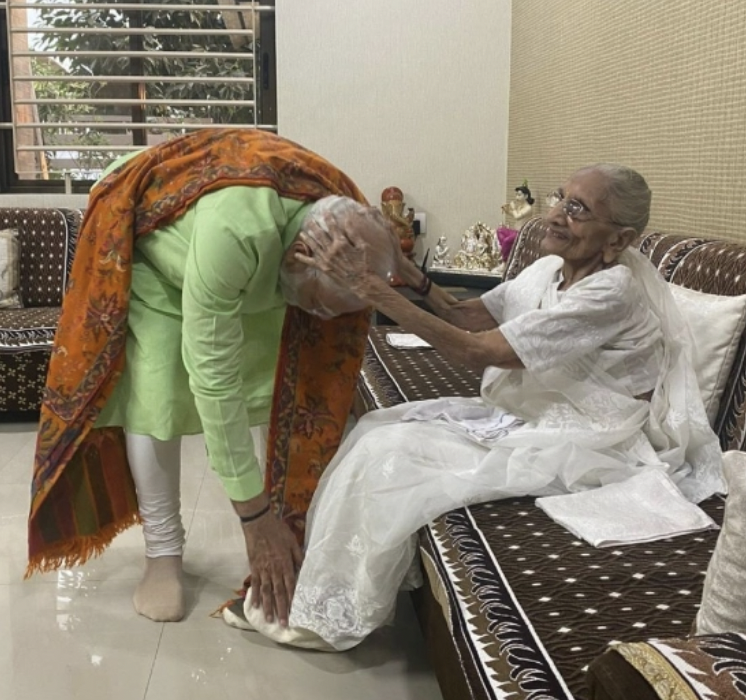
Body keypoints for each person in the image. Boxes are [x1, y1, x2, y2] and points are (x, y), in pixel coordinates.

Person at [222, 163, 724, 651]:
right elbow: (463, 312)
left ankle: (325, 617)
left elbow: (475, 349)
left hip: (591, 435)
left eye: (577, 208)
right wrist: (399, 271)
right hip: (537, 413)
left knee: (392, 453)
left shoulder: (612, 290)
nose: (554, 215)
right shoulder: (551, 270)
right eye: (559, 198)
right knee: (378, 426)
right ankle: (312, 587)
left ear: (619, 238)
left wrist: (372, 289)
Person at [26, 127, 398, 627]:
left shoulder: (344, 214)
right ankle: (163, 554)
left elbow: (378, 285)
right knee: (156, 396)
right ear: (296, 261)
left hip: (247, 260)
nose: (321, 317)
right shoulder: (238, 236)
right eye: (317, 303)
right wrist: (254, 519)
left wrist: (433, 297)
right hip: (153, 249)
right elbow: (213, 381)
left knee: (280, 382)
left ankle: (296, 529)